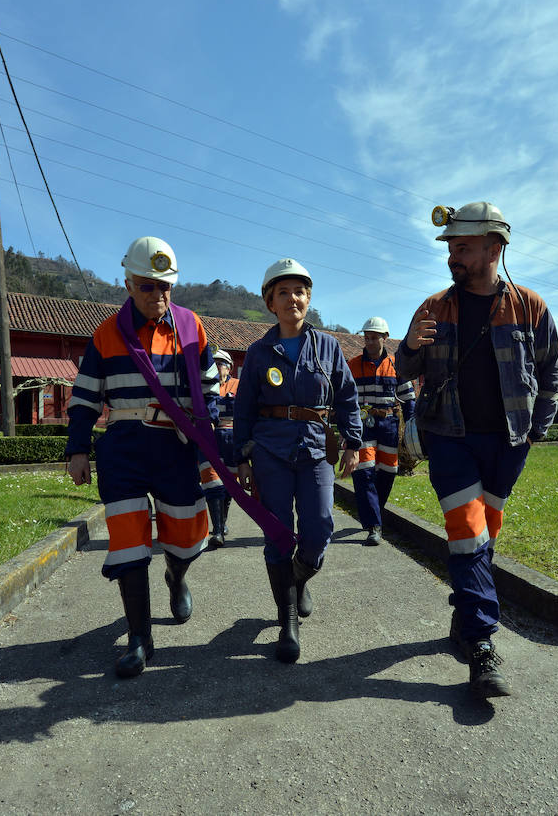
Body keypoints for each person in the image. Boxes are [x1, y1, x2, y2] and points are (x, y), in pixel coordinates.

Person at [395, 202, 558, 698]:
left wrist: (539, 428)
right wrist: (407, 347)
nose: (453, 257)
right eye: (450, 248)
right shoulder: (432, 307)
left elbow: (551, 368)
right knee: (467, 534)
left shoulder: (530, 306)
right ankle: (483, 645)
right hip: (449, 437)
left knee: (483, 536)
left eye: (463, 248)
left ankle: (464, 611)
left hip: (510, 441)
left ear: (495, 247)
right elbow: (403, 371)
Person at [66, 236, 220, 678]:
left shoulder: (191, 327)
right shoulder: (106, 333)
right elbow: (84, 398)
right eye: (149, 286)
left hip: (174, 447)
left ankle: (178, 575)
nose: (159, 295)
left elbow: (210, 392)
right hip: (123, 449)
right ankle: (140, 638)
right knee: (130, 541)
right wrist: (77, 449)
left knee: (188, 535)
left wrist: (219, 446)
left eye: (166, 286)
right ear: (129, 282)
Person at [233, 258, 362, 664]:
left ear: (309, 299)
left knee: (320, 527)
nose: (293, 298)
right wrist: (242, 457)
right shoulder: (257, 353)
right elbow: (244, 408)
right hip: (270, 450)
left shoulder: (328, 346)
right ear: (270, 302)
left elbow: (346, 397)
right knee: (276, 533)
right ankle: (286, 618)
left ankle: (300, 575)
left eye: (300, 291)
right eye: (284, 292)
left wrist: (353, 442)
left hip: (316, 449)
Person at [348, 317, 416, 545]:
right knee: (364, 472)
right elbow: (345, 398)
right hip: (363, 424)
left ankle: (373, 513)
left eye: (373, 337)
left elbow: (408, 399)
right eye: (366, 337)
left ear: (384, 338)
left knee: (388, 472)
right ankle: (374, 526)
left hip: (388, 424)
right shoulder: (353, 365)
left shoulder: (397, 365)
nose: (368, 341)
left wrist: (412, 430)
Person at [201, 348, 239, 548]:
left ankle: (222, 522)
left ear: (230, 367)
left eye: (221, 363)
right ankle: (216, 530)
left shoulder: (238, 386)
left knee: (229, 486)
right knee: (212, 484)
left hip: (233, 441)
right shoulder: (205, 388)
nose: (217, 367)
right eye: (213, 363)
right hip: (210, 439)